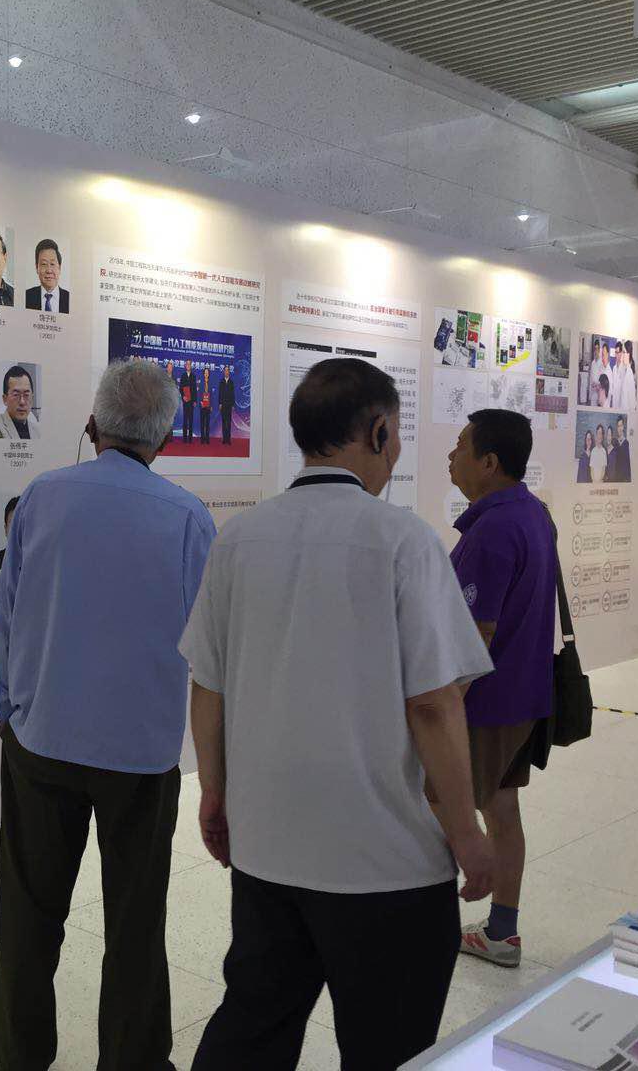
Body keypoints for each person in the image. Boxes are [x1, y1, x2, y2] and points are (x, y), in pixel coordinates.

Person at [180, 358, 494, 1071]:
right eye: (397, 434)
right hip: (384, 864)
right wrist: (467, 831)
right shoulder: (403, 541)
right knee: (388, 1047)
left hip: (267, 852)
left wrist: (214, 793)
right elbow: (434, 705)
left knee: (253, 1030)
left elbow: (208, 684)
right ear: (378, 432)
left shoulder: (239, 539)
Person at [0, 359, 215, 1071]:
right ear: (166, 440)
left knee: (27, 917)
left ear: (91, 427)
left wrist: (10, 709)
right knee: (137, 922)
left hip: (42, 739)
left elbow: (8, 613)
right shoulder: (188, 517)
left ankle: (20, 1059)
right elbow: (209, 647)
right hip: (140, 755)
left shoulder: (41, 497)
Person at [442, 409, 556, 969]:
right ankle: (502, 932)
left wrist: (439, 717)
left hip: (484, 708)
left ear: (488, 462)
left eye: (461, 445)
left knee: (438, 811)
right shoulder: (533, 514)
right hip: (524, 698)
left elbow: (473, 639)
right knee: (502, 808)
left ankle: (423, 929)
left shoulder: (492, 532)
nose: (451, 455)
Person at [0, 365, 42, 440]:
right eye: (16, 395)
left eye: (26, 395)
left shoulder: (38, 430)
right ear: (5, 399)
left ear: (32, 398)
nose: (22, 402)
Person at [24, 238, 69, 313]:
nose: (49, 270)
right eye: (44, 264)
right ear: (37, 268)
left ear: (59, 268)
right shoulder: (26, 297)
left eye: (52, 264)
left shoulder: (69, 298)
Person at [0, 496, 18, 571]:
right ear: (6, 529)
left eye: (22, 523)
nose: (18, 530)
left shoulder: (40, 560)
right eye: (13, 524)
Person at [612, 341, 637, 412]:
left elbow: (632, 400)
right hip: (618, 407)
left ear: (628, 354)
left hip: (626, 410)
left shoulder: (629, 373)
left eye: (623, 352)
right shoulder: (622, 370)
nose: (621, 354)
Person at [607, 416, 631, 483]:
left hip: (624, 480)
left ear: (623, 427)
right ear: (617, 428)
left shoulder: (627, 443)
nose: (620, 428)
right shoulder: (615, 443)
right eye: (618, 426)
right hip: (616, 479)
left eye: (621, 426)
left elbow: (628, 465)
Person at [178, 364, 197, 442]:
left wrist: (195, 400)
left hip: (191, 401)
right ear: (186, 366)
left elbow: (195, 389)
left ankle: (190, 438)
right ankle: (184, 437)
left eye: (189, 364)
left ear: (191, 366)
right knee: (185, 419)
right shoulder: (183, 376)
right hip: (185, 401)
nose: (188, 366)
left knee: (191, 419)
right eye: (187, 365)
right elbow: (181, 388)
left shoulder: (193, 376)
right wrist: (183, 396)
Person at [218, 365, 235, 446]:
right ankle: (224, 439)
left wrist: (233, 404)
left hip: (229, 405)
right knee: (224, 422)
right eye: (225, 370)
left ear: (229, 372)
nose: (226, 372)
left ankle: (228, 439)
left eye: (228, 370)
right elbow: (220, 394)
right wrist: (220, 403)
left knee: (229, 422)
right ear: (223, 372)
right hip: (223, 405)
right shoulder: (221, 382)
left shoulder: (231, 382)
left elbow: (233, 394)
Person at [198, 366, 212, 444]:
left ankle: (207, 438)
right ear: (203, 374)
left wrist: (211, 405)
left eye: (207, 373)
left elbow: (212, 396)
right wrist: (201, 402)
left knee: (207, 423)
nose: (206, 374)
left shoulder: (210, 383)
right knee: (202, 423)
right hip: (202, 406)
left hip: (208, 406)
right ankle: (202, 438)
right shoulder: (201, 383)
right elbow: (199, 394)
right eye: (205, 373)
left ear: (209, 374)